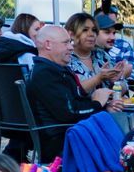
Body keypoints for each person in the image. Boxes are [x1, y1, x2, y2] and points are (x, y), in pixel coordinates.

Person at [26, 23, 122, 163]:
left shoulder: (53, 70)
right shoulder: (45, 74)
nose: (71, 47)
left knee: (119, 121)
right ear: (48, 45)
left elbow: (72, 104)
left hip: (70, 134)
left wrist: (103, 105)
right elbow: (69, 113)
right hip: (62, 143)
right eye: (66, 43)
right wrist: (97, 103)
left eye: (70, 42)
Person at [64, 11, 128, 94]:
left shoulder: (102, 55)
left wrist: (115, 82)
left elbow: (124, 87)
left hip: (107, 106)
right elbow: (73, 92)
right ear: (71, 34)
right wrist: (99, 78)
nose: (91, 34)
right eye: (85, 30)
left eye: (94, 30)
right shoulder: (65, 58)